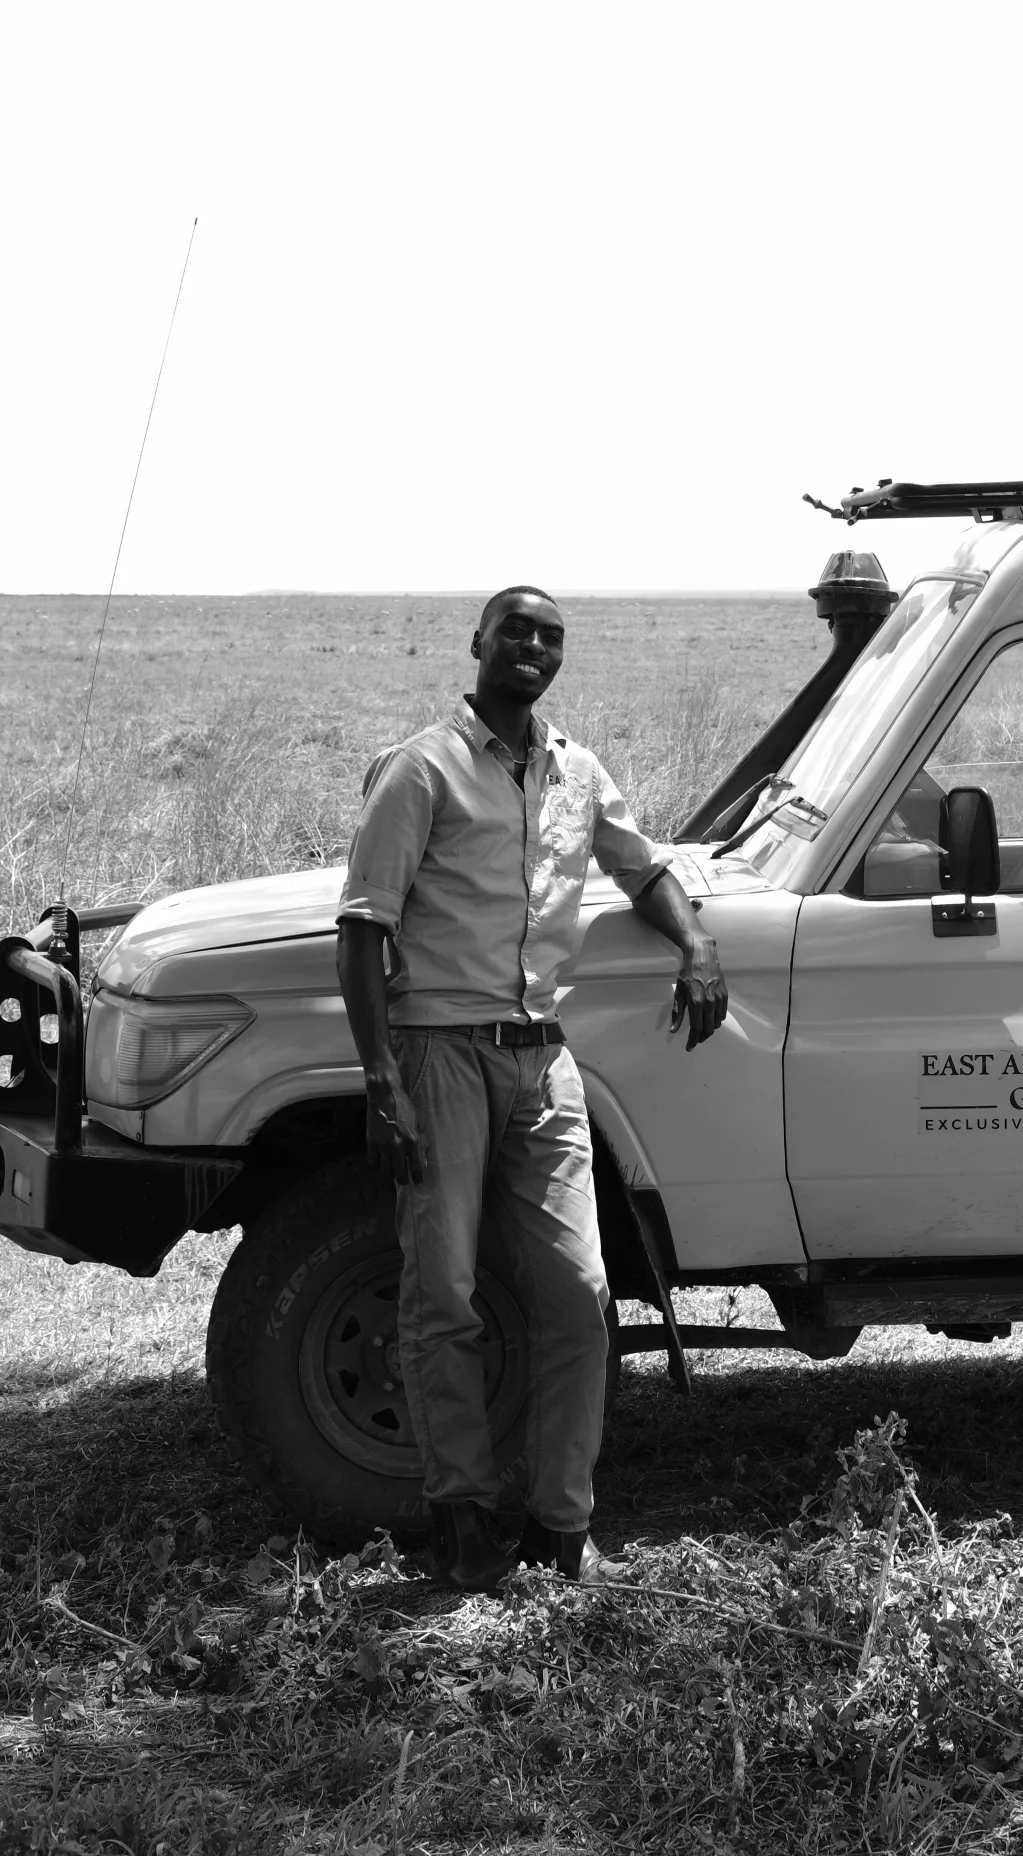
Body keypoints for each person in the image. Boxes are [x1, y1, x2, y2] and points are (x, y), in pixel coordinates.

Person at [335, 586, 728, 1595]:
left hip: (542, 1058)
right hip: (438, 1054)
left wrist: (695, 944)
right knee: (445, 1294)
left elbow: (643, 870)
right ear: (479, 644)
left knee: (578, 1290)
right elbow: (364, 928)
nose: (534, 647)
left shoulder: (578, 773)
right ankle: (461, 1514)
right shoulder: (423, 768)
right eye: (517, 630)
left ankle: (561, 1525)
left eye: (550, 637)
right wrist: (382, 1082)